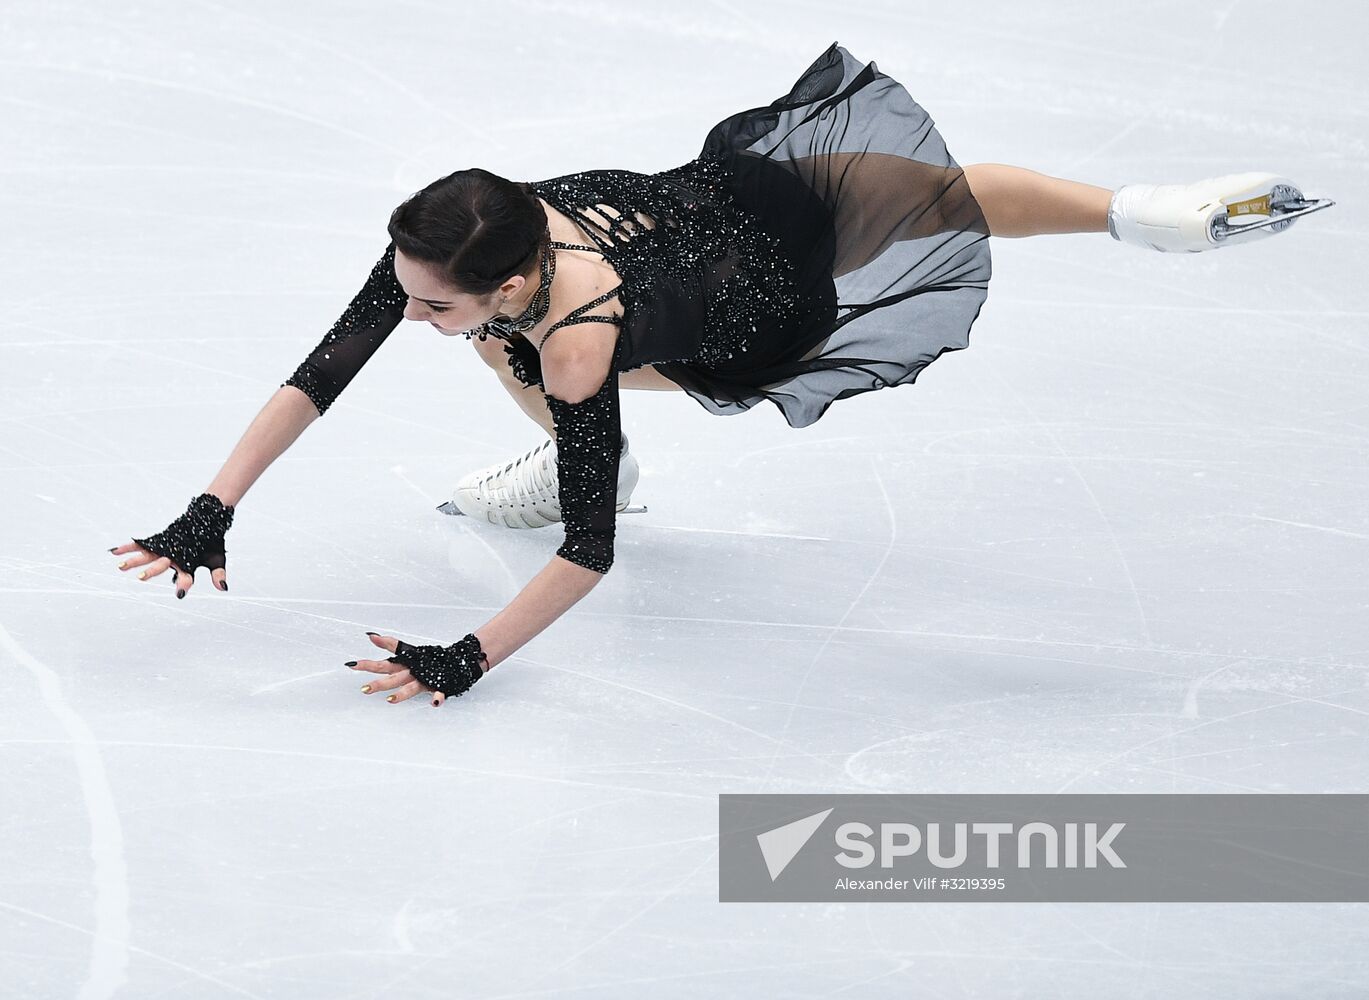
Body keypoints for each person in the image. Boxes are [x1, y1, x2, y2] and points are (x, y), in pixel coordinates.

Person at [107, 41, 1332, 708]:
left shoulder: (564, 334)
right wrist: (217, 503)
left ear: (515, 277)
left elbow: (589, 552)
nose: (402, 306)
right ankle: (1143, 213)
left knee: (523, 371)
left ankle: (601, 446)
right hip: (739, 201)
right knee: (931, 198)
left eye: (431, 298)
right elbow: (322, 372)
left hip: (745, 315)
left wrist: (468, 656)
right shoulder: (479, 231)